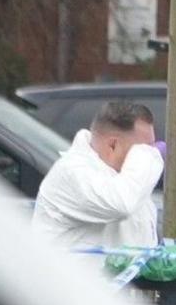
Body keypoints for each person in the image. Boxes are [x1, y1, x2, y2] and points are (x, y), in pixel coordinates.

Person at [32, 101, 163, 250]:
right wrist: (149, 156)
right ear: (112, 145)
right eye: (143, 150)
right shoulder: (73, 172)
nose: (152, 154)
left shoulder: (123, 179)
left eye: (152, 147)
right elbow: (122, 203)